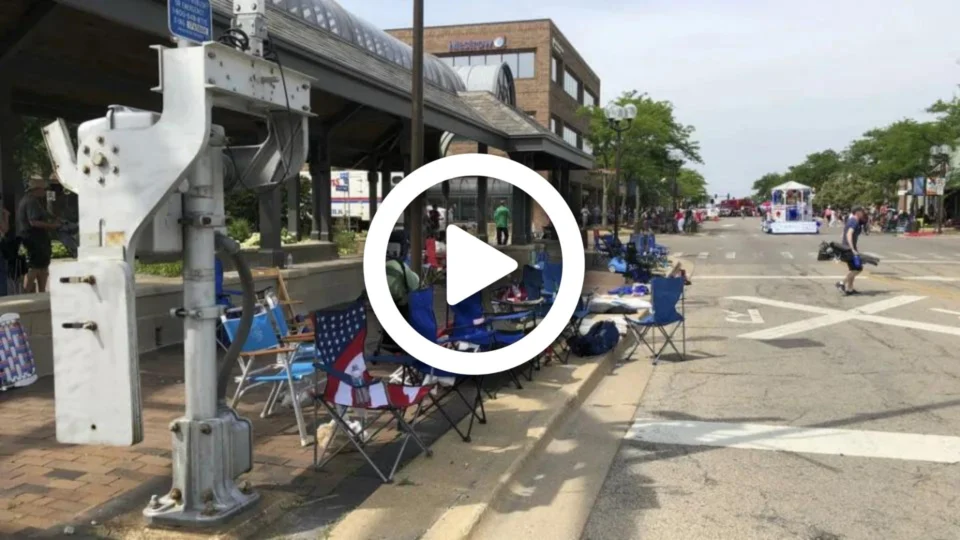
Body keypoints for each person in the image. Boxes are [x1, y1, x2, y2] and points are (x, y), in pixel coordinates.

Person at [17, 178, 60, 293]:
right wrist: (52, 226)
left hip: (36, 239)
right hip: (34, 239)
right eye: (43, 189)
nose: (45, 191)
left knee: (41, 266)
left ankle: (39, 292)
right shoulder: (31, 201)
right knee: (36, 266)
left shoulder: (31, 200)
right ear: (37, 189)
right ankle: (29, 293)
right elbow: (34, 222)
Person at [836, 206, 866, 296]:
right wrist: (852, 249)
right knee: (858, 268)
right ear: (857, 212)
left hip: (846, 247)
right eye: (862, 211)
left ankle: (850, 289)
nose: (863, 213)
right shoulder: (854, 221)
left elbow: (844, 233)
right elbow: (849, 234)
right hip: (849, 249)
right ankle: (841, 283)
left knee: (853, 268)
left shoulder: (851, 220)